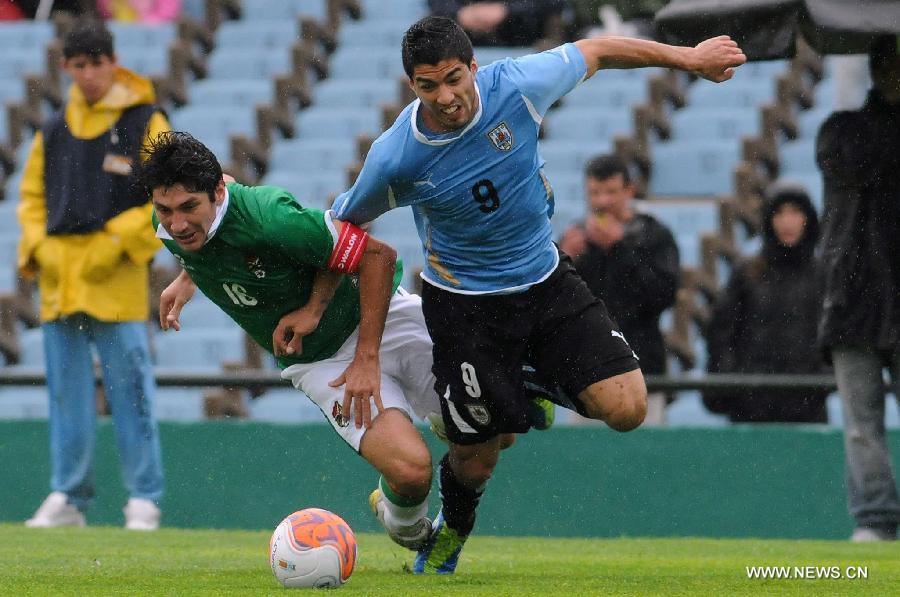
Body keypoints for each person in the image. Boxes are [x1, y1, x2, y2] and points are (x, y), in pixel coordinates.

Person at [330, 15, 746, 573]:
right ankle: (448, 541)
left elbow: (598, 50)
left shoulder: (518, 85)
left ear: (474, 66)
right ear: (413, 86)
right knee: (479, 456)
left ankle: (525, 381)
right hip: (464, 308)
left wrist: (688, 58)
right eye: (429, 86)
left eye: (455, 78)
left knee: (628, 407)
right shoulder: (396, 156)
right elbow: (342, 227)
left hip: (547, 282)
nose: (447, 96)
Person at [142, 131, 525, 551]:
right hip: (320, 360)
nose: (177, 223)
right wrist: (188, 276)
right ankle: (404, 523)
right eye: (165, 210)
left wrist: (363, 356)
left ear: (215, 194)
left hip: (386, 316)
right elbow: (215, 202)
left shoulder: (272, 219)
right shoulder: (171, 220)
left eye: (188, 208)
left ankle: (442, 418)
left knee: (499, 435)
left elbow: (378, 257)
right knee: (413, 474)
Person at [17, 20, 167, 530]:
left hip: (117, 277)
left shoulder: (145, 120)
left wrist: (117, 241)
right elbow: (32, 198)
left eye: (96, 63)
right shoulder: (53, 129)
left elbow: (166, 197)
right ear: (66, 68)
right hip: (60, 279)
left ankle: (144, 496)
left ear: (112, 60)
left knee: (132, 388)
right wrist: (38, 246)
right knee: (66, 393)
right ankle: (68, 495)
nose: (89, 75)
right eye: (78, 66)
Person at [816, 35, 900, 542]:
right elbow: (863, 162)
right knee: (859, 423)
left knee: (861, 422)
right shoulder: (843, 132)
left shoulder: (844, 131)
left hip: (854, 296)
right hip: (853, 299)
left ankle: (875, 518)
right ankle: (875, 518)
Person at [559, 154, 679, 424]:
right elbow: (552, 303)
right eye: (595, 193)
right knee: (583, 459)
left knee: (644, 460)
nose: (602, 201)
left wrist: (619, 248)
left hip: (642, 368)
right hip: (584, 371)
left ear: (629, 191)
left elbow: (663, 296)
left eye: (611, 192)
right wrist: (563, 260)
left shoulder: (654, 234)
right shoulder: (575, 239)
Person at [702, 183, 828, 423]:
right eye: (779, 213)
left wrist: (820, 379)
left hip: (807, 406)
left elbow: (834, 334)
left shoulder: (822, 275)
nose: (787, 222)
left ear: (808, 219)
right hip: (750, 407)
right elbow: (721, 334)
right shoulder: (746, 273)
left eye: (795, 212)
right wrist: (736, 380)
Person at [428, 0, 565, 47]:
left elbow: (553, 4)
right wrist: (459, 13)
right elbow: (436, 4)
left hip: (525, 37)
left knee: (553, 23)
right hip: (462, 37)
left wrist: (506, 11)